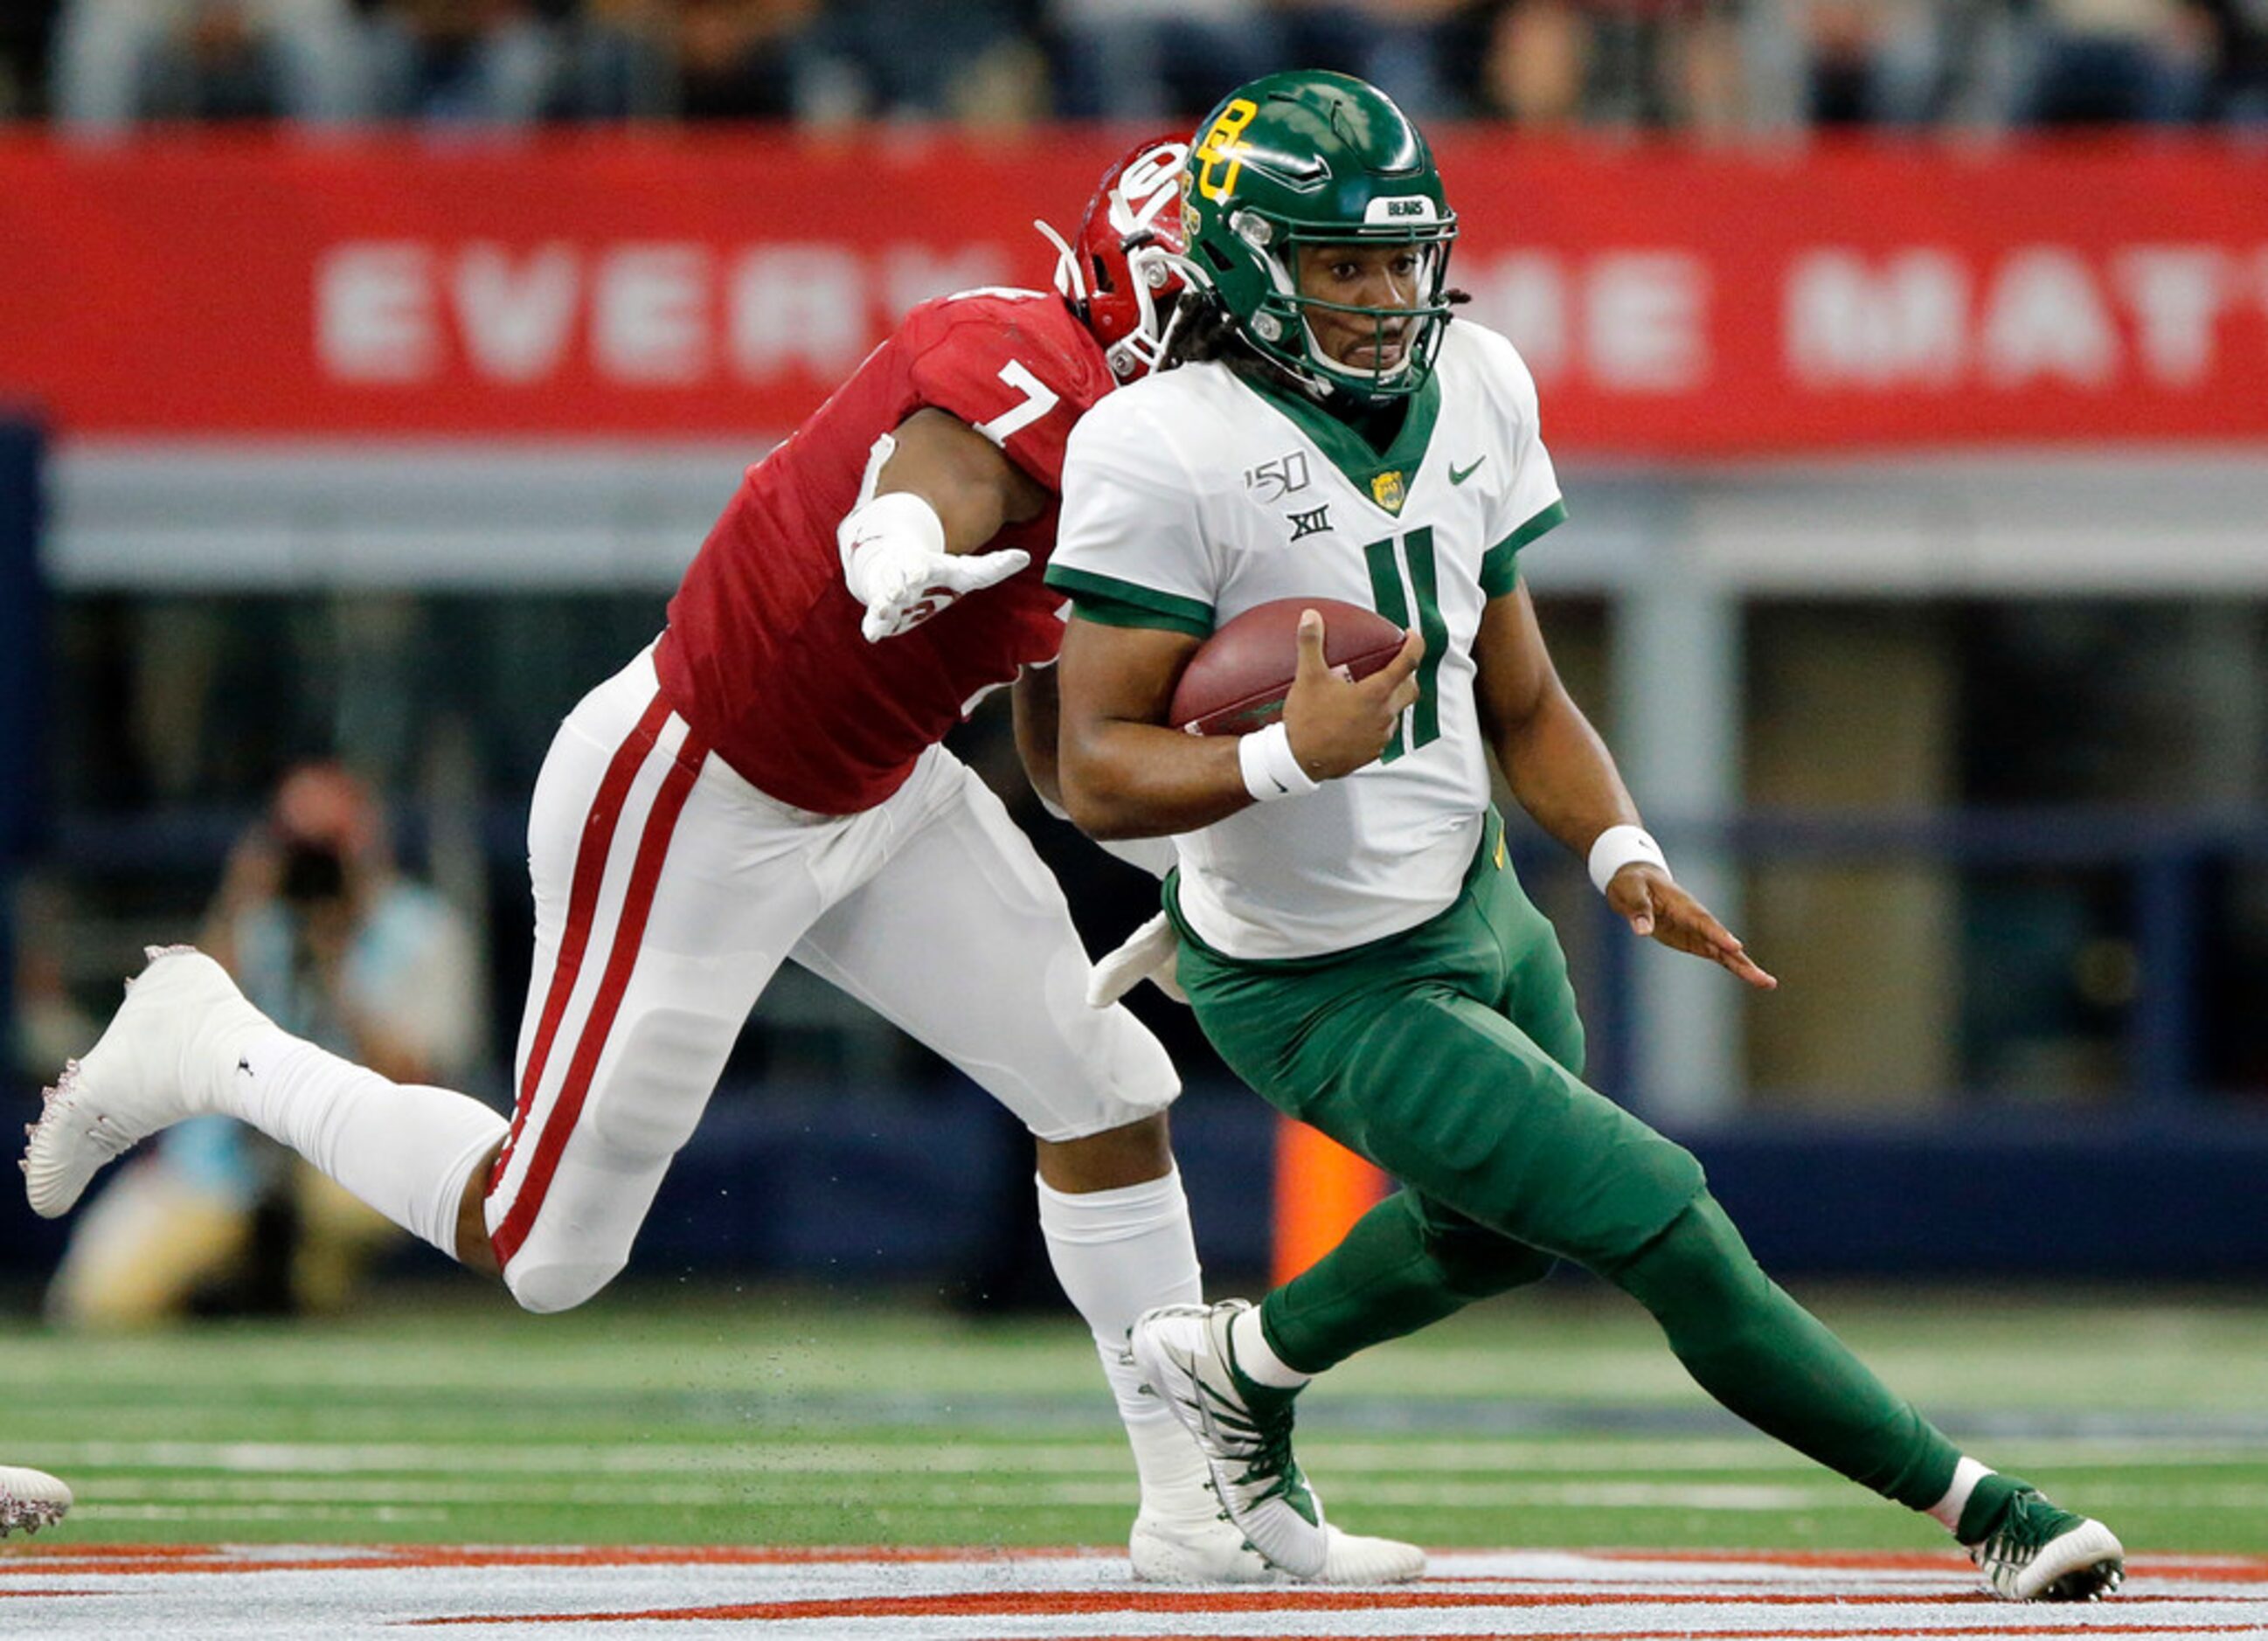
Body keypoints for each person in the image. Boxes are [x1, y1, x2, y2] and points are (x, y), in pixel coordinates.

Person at [23, 135, 1418, 1587]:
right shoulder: (1025, 357)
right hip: (694, 784)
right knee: (548, 1246)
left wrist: (1203, 864)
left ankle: (1189, 1509)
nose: (1325, 327)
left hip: (880, 794)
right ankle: (210, 1040)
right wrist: (895, 544)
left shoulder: (1159, 461)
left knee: (1110, 1086)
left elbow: (1068, 745)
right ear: (1177, 296)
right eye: (1297, 288)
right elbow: (928, 474)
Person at [1048, 71, 2125, 1603]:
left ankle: (1236, 1363)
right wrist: (1288, 754)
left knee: (1496, 1232)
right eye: (1340, 263)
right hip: (1312, 976)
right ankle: (1984, 1506)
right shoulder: (1162, 443)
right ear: (1243, 263)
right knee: (1661, 1216)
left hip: (1474, 898)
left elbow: (1526, 693)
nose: (1382, 296)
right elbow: (1094, 769)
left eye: (1401, 257)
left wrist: (1622, 856)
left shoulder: (1479, 379)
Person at [45, 763, 487, 1328]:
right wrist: (239, 900)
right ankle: (241, 1291)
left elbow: (419, 1083)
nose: (315, 862)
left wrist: (336, 962)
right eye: (299, 843)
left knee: (341, 1218)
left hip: (344, 1159)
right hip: (222, 1164)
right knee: (101, 1302)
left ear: (368, 841)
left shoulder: (420, 929)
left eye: (329, 843)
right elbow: (175, 1024)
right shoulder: (256, 921)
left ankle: (302, 1287)